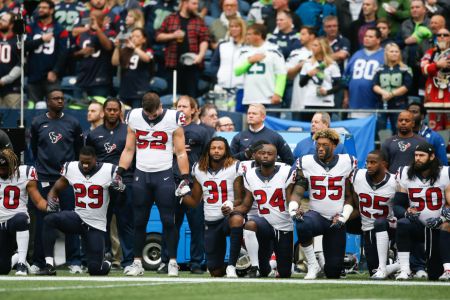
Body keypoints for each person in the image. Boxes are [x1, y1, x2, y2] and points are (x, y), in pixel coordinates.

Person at [117, 92, 190, 277]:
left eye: (154, 113)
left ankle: (172, 262)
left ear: (160, 106)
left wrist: (185, 176)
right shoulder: (133, 116)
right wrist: (120, 171)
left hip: (164, 173)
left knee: (168, 221)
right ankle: (137, 263)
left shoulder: (173, 118)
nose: (150, 117)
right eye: (147, 114)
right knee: (139, 221)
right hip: (141, 174)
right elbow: (129, 148)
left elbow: (180, 152)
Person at [38, 146, 125, 276]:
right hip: (77, 218)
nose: (84, 165)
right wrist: (52, 198)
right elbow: (56, 188)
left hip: (96, 226)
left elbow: (123, 192)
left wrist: (121, 187)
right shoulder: (71, 168)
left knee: (95, 270)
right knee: (50, 219)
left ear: (95, 159)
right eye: (82, 162)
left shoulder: (109, 170)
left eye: (88, 162)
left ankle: (106, 262)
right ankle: (49, 265)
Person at [289, 128, 357, 279]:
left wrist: (343, 217)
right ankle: (312, 264)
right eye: (317, 144)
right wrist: (294, 209)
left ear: (334, 145)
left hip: (336, 220)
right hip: (316, 216)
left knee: (333, 272)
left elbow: (350, 195)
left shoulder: (347, 162)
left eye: (325, 145)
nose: (320, 148)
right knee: (302, 223)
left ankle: (327, 264)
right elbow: (298, 190)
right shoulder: (306, 162)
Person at [29, 89, 84, 274]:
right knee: (42, 221)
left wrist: (70, 172)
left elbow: (78, 150)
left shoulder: (73, 123)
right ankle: (39, 262)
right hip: (44, 178)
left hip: (67, 179)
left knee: (71, 219)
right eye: (56, 98)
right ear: (47, 101)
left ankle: (74, 261)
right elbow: (34, 149)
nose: (60, 101)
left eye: (62, 98)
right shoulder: (37, 122)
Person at [181, 136, 244, 277]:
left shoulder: (235, 166)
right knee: (215, 271)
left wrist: (231, 205)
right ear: (208, 150)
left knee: (237, 220)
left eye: (220, 148)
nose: (216, 151)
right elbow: (195, 201)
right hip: (211, 220)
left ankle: (233, 265)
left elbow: (240, 198)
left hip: (229, 217)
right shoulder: (198, 168)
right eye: (213, 148)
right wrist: (182, 195)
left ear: (226, 150)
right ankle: (239, 268)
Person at [231, 142, 296, 278]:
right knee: (250, 224)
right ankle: (255, 267)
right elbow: (246, 205)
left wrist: (296, 208)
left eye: (269, 153)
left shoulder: (286, 171)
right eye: (262, 153)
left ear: (276, 156)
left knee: (285, 273)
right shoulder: (249, 174)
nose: (265, 156)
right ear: (255, 155)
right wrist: (231, 209)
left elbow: (291, 198)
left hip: (283, 226)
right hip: (264, 226)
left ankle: (271, 265)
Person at [85, 98, 135, 273]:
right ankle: (102, 257)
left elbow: (133, 157)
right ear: (103, 112)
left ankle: (128, 262)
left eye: (115, 110)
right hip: (101, 185)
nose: (112, 113)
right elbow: (88, 159)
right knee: (100, 224)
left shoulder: (129, 132)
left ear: (120, 112)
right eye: (109, 110)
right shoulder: (93, 134)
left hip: (125, 182)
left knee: (125, 223)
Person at [394, 142, 450, 280]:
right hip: (417, 225)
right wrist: (406, 212)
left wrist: (442, 218)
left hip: (437, 227)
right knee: (402, 223)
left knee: (434, 274)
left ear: (431, 157)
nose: (417, 158)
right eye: (416, 155)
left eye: (422, 155)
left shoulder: (445, 173)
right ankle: (404, 270)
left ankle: (447, 270)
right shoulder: (405, 173)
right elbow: (397, 206)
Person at [0, 148, 57, 276]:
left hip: (16, 219)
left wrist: (49, 207)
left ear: (13, 165)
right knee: (2, 269)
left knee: (21, 219)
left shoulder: (25, 172)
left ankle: (21, 264)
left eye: (4, 168)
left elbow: (37, 201)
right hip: (1, 222)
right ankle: (17, 257)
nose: (1, 171)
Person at [351, 150, 400, 279]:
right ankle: (391, 264)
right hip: (367, 227)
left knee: (379, 222)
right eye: (367, 162)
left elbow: (401, 206)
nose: (369, 165)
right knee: (374, 270)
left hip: (388, 226)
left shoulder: (395, 181)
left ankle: (396, 256)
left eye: (373, 162)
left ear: (384, 164)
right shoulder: (358, 176)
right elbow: (352, 199)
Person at [156, 0, 209, 98]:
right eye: (194, 3)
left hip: (193, 66)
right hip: (173, 66)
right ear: (185, 3)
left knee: (191, 98)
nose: (196, 6)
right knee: (173, 97)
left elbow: (204, 39)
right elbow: (158, 36)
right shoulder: (170, 18)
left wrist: (200, 56)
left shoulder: (199, 20)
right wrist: (173, 35)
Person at [25, 0, 69, 107]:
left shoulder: (60, 29)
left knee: (55, 107)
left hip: (51, 76)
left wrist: (55, 71)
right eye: (40, 7)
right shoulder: (31, 27)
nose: (40, 10)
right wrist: (42, 39)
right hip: (33, 74)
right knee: (33, 108)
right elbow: (25, 46)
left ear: (51, 10)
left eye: (44, 8)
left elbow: (63, 53)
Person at [234, 24, 287, 109]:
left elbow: (281, 74)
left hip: (269, 99)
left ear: (259, 35)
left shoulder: (274, 50)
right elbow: (237, 71)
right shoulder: (243, 51)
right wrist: (250, 61)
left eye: (249, 34)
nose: (247, 37)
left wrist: (278, 93)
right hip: (250, 99)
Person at [343, 27, 384, 119]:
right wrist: (346, 97)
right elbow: (346, 78)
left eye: (370, 36)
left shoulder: (384, 55)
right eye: (365, 36)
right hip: (354, 103)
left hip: (374, 105)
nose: (366, 38)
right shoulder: (356, 54)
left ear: (378, 40)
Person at [74, 9, 115, 98]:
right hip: (82, 79)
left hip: (100, 81)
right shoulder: (83, 33)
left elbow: (108, 47)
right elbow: (72, 53)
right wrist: (81, 52)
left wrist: (98, 29)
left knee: (99, 109)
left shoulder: (109, 32)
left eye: (94, 18)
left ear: (102, 20)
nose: (91, 20)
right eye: (90, 18)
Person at [298, 37, 341, 121]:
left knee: (324, 131)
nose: (312, 47)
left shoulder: (332, 64)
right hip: (310, 101)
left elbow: (339, 85)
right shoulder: (308, 63)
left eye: (315, 45)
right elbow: (301, 84)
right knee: (310, 128)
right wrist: (308, 75)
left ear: (322, 48)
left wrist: (327, 92)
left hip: (326, 103)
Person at [373, 42, 412, 132]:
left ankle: (398, 146)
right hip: (382, 104)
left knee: (399, 129)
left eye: (396, 51)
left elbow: (407, 86)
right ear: (386, 53)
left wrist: (391, 94)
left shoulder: (405, 68)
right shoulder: (380, 68)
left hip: (399, 105)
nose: (394, 53)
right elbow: (374, 85)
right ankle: (382, 146)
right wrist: (384, 93)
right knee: (380, 129)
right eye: (391, 51)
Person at [112, 28, 154, 108]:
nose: (134, 38)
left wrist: (134, 48)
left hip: (140, 91)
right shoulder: (125, 50)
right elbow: (115, 62)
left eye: (137, 36)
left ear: (144, 39)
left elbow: (146, 58)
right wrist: (117, 48)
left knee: (136, 115)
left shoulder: (148, 50)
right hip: (124, 90)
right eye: (132, 36)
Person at [420, 27, 450, 130]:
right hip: (433, 97)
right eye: (439, 35)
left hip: (449, 96)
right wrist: (437, 65)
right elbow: (423, 69)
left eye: (445, 35)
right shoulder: (430, 52)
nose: (442, 37)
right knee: (434, 132)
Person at [400, 0, 431, 96]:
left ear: (424, 9)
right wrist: (406, 41)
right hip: (407, 63)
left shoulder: (431, 23)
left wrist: (410, 40)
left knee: (424, 95)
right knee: (410, 95)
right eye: (412, 8)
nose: (414, 10)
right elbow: (398, 42)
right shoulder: (405, 24)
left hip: (425, 65)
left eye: (417, 7)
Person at [210, 16, 246, 98]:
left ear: (242, 28)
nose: (233, 29)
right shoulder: (222, 45)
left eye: (236, 26)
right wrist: (218, 77)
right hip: (222, 86)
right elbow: (214, 64)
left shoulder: (247, 47)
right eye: (231, 26)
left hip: (241, 88)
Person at [286, 26, 315, 117]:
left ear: (312, 36)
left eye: (303, 34)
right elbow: (288, 75)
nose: (300, 37)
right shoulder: (296, 53)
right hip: (299, 99)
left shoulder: (322, 53)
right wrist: (299, 66)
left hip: (317, 101)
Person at [0, 12, 20, 108]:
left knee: (12, 118)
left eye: (4, 20)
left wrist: (5, 80)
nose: (0, 22)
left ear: (11, 25)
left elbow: (21, 63)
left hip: (12, 88)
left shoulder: (18, 41)